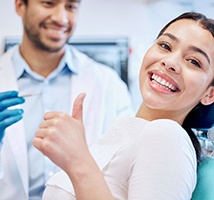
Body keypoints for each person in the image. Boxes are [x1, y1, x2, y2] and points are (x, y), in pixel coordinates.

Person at [33, 12, 214, 200]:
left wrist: (78, 161)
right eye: (165, 46)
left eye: (194, 61)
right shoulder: (124, 134)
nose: (170, 62)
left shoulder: (168, 135)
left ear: (210, 94)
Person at [0, 0, 133, 199]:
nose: (61, 18)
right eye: (48, 3)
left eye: (70, 7)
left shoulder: (108, 84)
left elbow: (125, 170)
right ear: (20, 5)